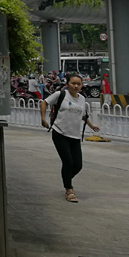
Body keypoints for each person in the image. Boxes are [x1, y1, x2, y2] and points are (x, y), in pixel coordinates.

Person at [39, 72, 100, 203]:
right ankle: (69, 190)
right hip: (60, 133)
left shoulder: (82, 99)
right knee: (68, 162)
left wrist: (91, 125)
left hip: (75, 136)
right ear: (67, 84)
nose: (76, 86)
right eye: (73, 83)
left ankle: (66, 178)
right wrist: (43, 119)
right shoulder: (60, 95)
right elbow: (44, 103)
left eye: (78, 84)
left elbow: (83, 115)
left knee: (78, 165)